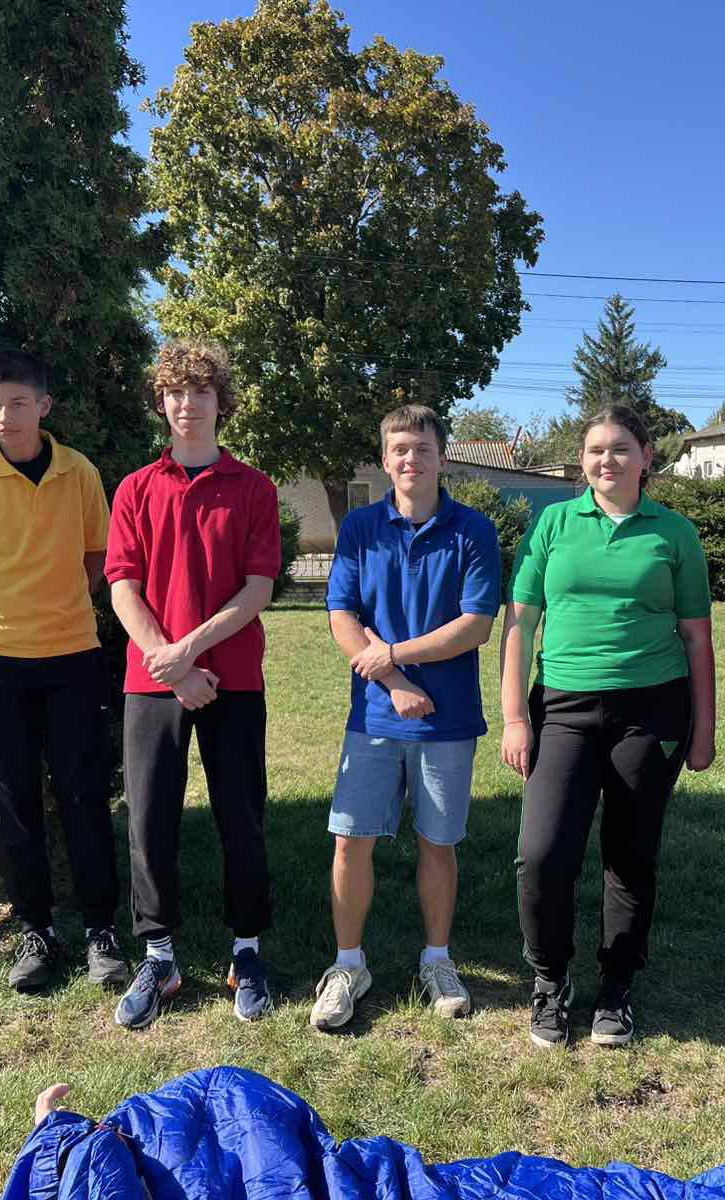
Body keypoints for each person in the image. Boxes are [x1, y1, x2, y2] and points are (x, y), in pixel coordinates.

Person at [500, 405, 715, 1049]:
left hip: (651, 711)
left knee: (630, 854)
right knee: (542, 854)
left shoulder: (675, 533)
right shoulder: (553, 523)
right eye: (596, 449)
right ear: (582, 459)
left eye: (621, 448)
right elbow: (520, 625)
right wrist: (514, 717)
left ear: (647, 456)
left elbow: (697, 637)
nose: (607, 460)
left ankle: (617, 986)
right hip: (562, 708)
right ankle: (550, 978)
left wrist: (705, 729)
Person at [0, 349, 127, 993]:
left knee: (83, 795)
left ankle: (101, 931)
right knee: (12, 800)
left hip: (72, 657)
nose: (5, 416)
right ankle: (35, 931)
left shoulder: (80, 472)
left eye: (17, 403)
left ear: (43, 406)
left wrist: (58, 608)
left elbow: (97, 557)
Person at [103, 340, 281, 1029]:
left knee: (242, 816)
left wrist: (188, 653)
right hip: (152, 682)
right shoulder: (135, 488)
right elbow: (123, 585)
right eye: (175, 392)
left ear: (220, 402)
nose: (187, 404)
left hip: (231, 678)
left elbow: (258, 588)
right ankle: (160, 958)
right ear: (162, 403)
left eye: (200, 391)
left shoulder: (254, 488)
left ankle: (247, 952)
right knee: (149, 818)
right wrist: (170, 663)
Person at [9, 1067, 725, 1200]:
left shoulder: (128, 1138)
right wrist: (59, 1132)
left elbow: (258, 1119)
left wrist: (60, 1136)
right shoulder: (103, 1145)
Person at [312, 404, 502, 1032]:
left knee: (438, 844)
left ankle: (437, 959)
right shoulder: (361, 527)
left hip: (447, 720)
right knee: (350, 841)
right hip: (373, 716)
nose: (410, 459)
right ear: (385, 458)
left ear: (441, 457)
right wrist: (393, 682)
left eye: (422, 448)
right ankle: (348, 965)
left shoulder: (473, 529)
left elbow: (475, 625)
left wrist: (392, 653)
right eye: (399, 448)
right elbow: (342, 616)